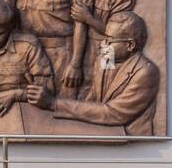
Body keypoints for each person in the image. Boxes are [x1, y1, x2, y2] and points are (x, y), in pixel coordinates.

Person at [27, 12, 158, 135]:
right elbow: (94, 98)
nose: (102, 44)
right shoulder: (106, 59)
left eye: (109, 40)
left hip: (129, 139)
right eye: (104, 37)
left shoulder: (145, 73)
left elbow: (112, 113)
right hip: (101, 132)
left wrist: (53, 103)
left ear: (130, 45)